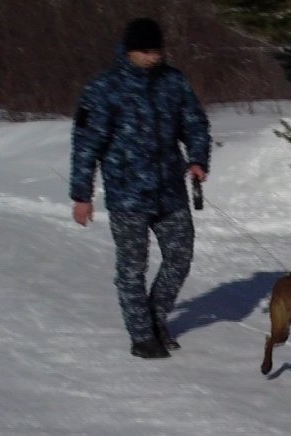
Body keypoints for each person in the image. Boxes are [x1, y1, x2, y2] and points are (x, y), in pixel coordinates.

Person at [69, 17, 211, 359]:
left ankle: (155, 317)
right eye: (145, 51)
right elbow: (86, 145)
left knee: (180, 256)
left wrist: (197, 158)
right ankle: (141, 335)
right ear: (129, 50)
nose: (152, 57)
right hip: (127, 196)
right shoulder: (103, 89)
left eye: (156, 50)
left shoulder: (174, 82)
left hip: (170, 191)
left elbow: (194, 122)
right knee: (132, 268)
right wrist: (82, 196)